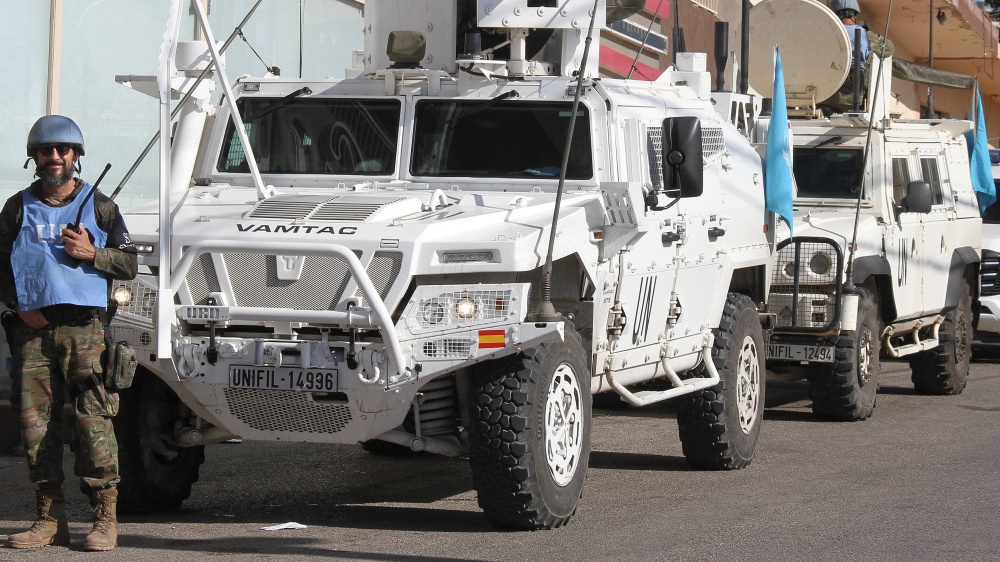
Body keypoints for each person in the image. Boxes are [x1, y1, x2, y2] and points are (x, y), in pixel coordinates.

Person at [0, 115, 137, 551]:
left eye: (63, 150)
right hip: (33, 333)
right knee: (35, 427)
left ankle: (104, 519)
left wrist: (93, 253)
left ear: (77, 156)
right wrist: (18, 304)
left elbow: (130, 264)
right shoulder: (17, 207)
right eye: (46, 150)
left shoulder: (101, 207)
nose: (55, 157)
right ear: (34, 157)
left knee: (92, 421)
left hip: (85, 331)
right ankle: (48, 518)